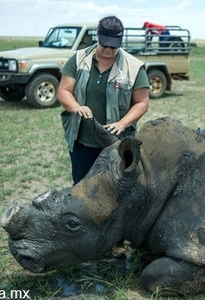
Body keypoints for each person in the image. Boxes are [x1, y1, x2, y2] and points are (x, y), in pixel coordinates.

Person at [58, 16, 150, 185]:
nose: (109, 49)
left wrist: (122, 123)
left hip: (116, 144)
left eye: (114, 46)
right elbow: (64, 91)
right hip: (82, 141)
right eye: (105, 44)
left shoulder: (134, 66)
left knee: (117, 187)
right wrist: (76, 107)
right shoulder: (78, 59)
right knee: (82, 186)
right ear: (98, 37)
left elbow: (142, 103)